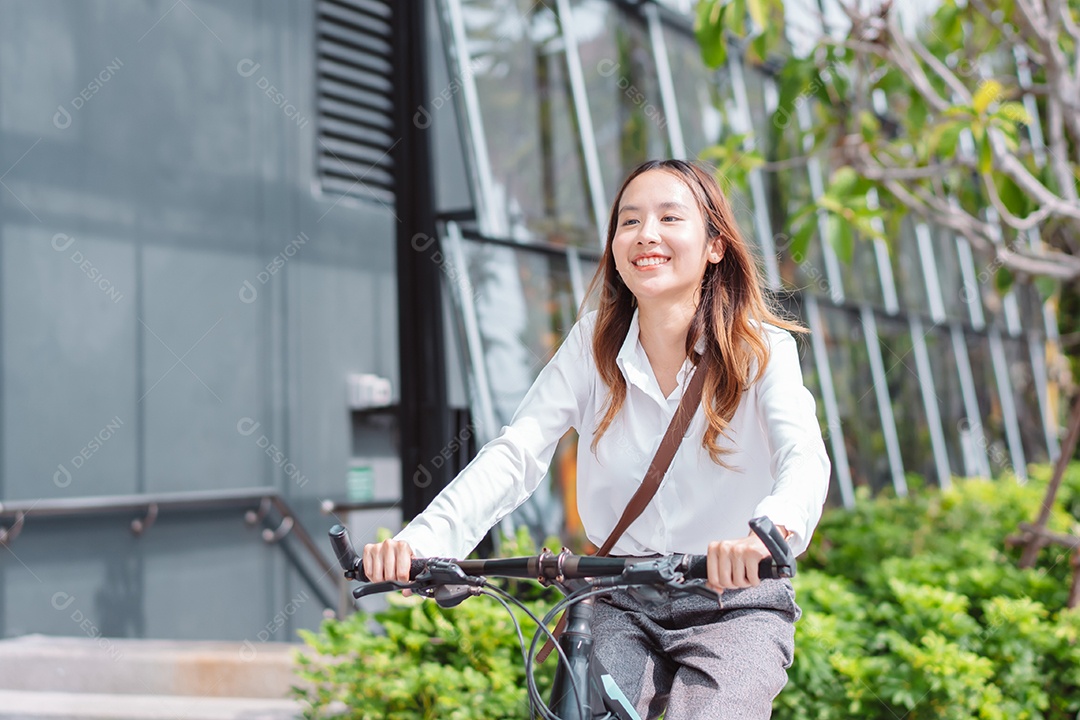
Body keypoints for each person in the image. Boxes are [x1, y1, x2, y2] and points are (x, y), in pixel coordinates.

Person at [364, 159, 830, 719]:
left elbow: (802, 454)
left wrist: (770, 532)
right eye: (629, 221)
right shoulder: (592, 347)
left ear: (714, 245)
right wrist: (422, 542)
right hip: (618, 596)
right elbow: (517, 453)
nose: (646, 234)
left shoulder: (761, 349)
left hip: (733, 601)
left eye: (669, 218)